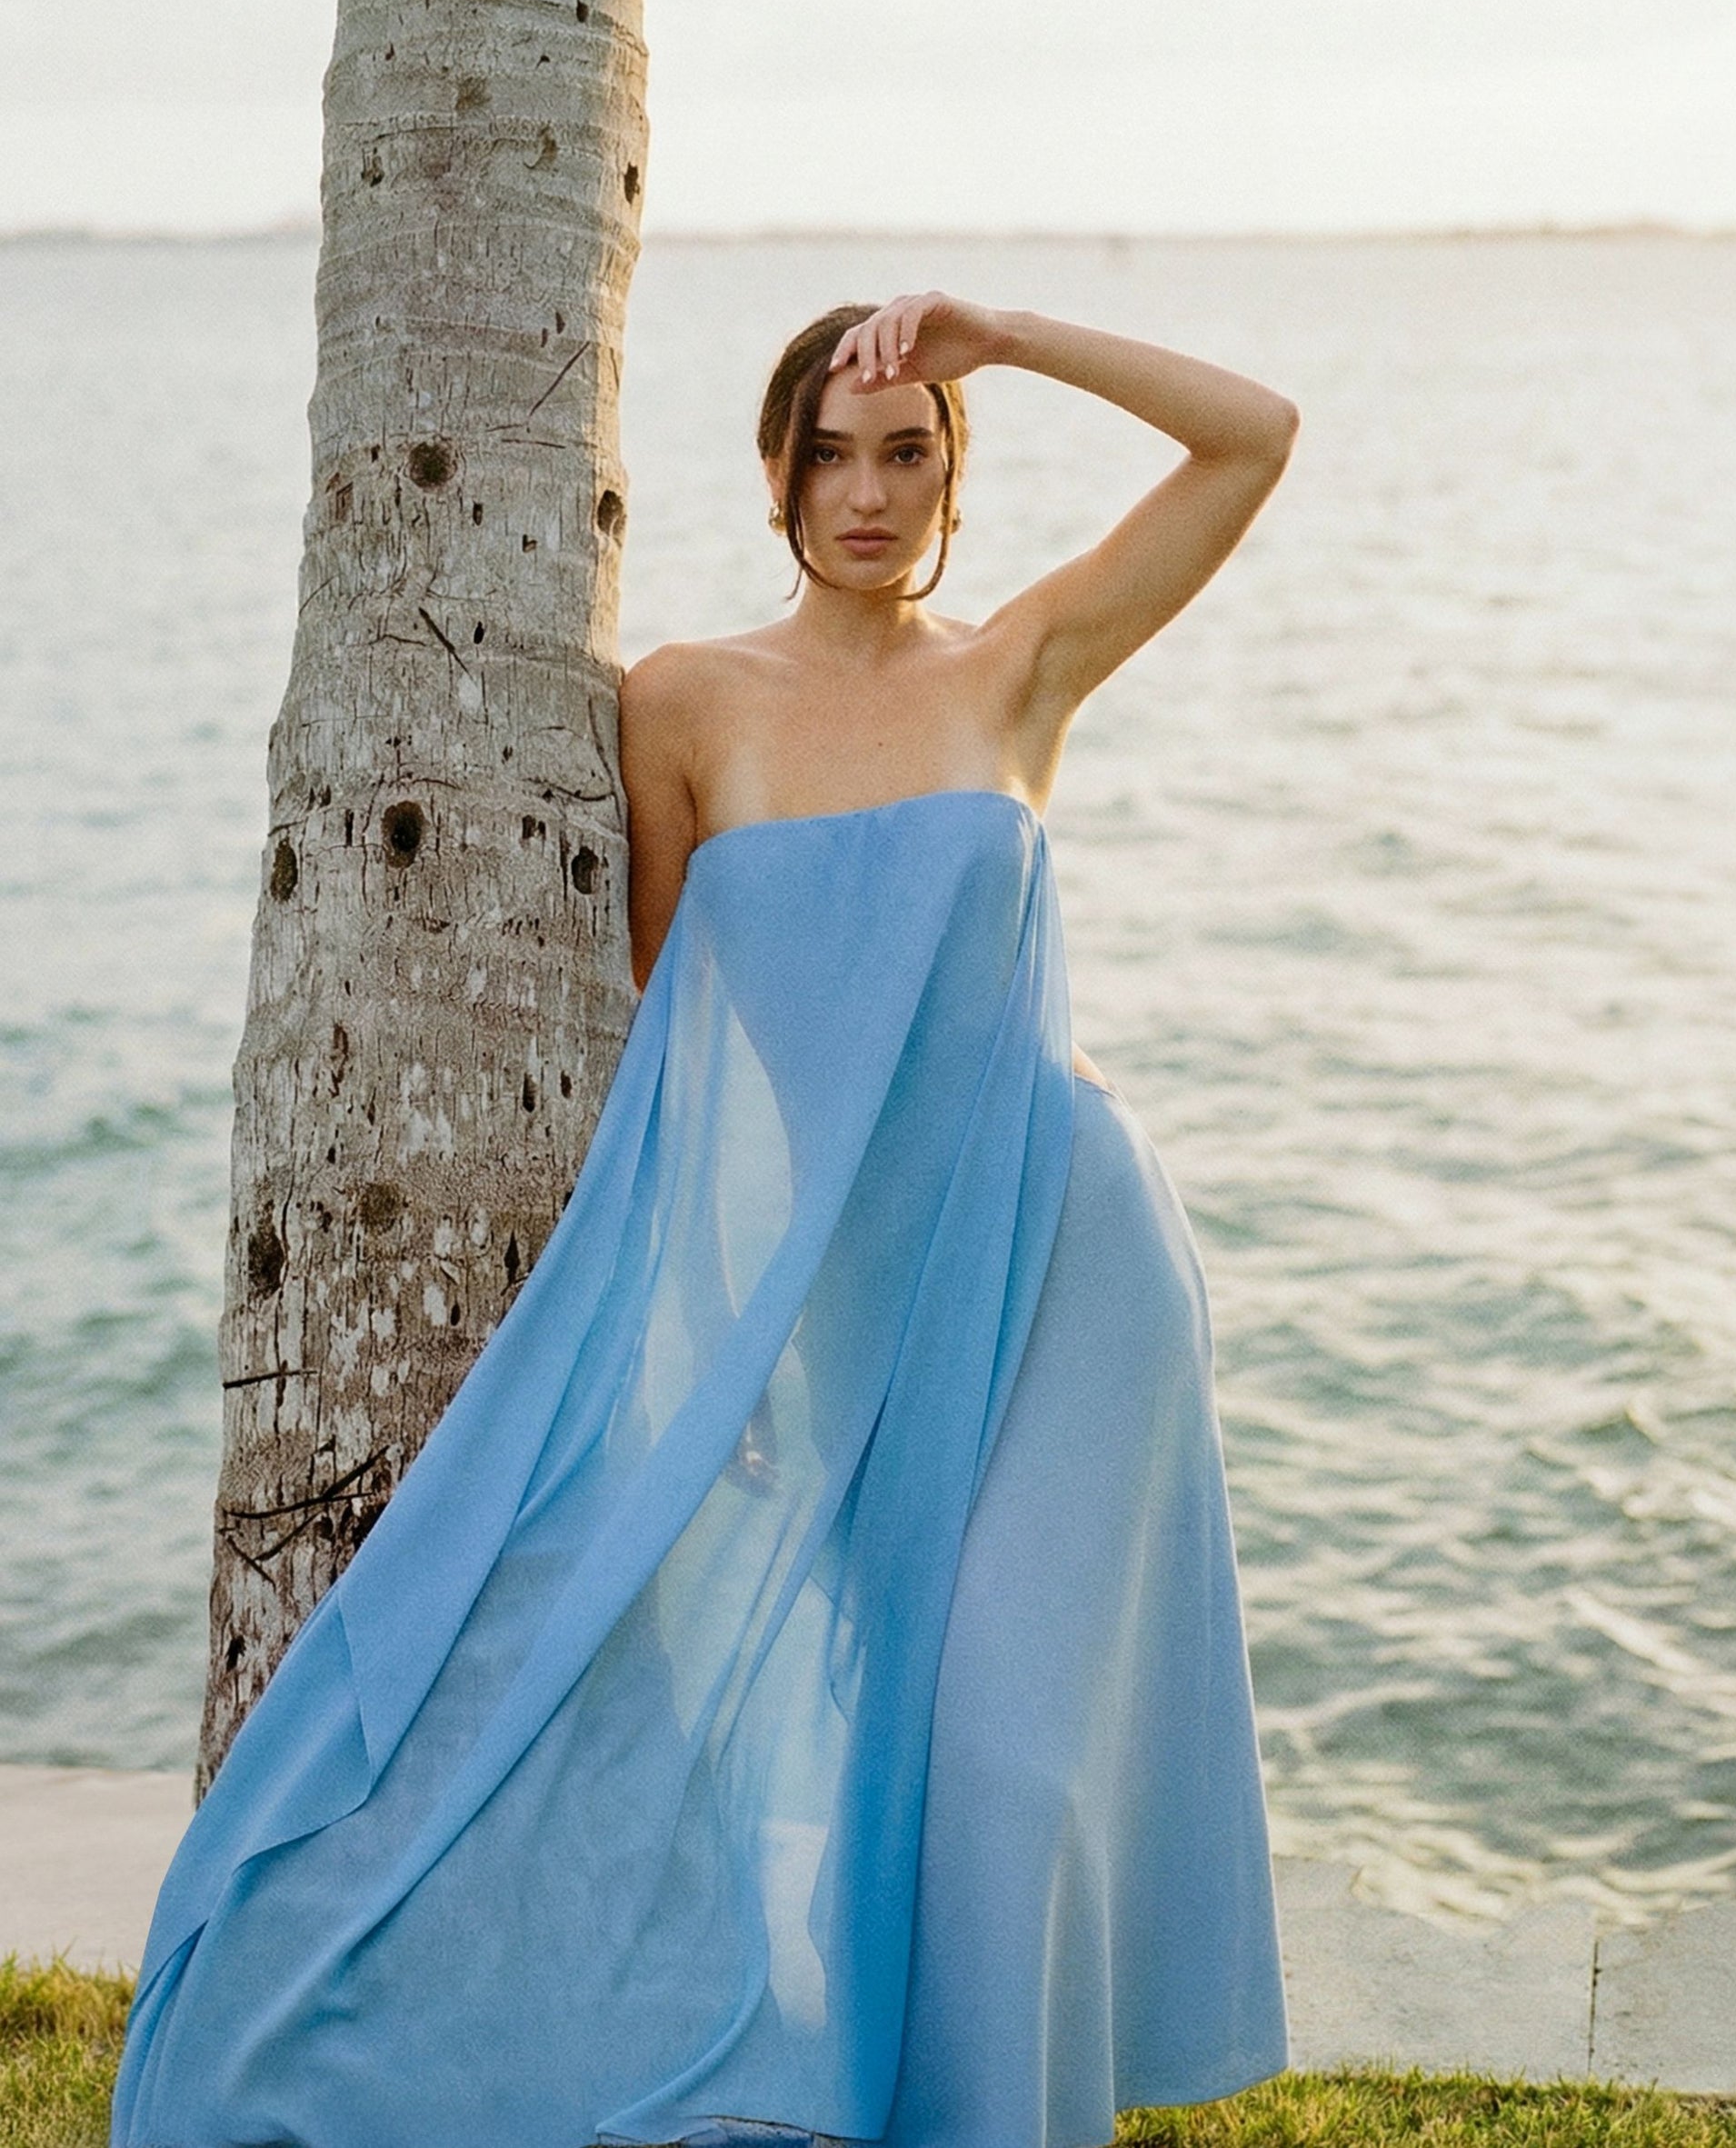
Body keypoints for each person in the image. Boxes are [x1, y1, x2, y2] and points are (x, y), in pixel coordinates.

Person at [110, 293, 1299, 2148]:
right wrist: (718, 1328)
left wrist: (997, 336)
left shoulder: (1017, 670)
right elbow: (685, 1045)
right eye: (830, 453)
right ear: (773, 474)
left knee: (1012, 1760)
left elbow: (1253, 435)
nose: (867, 493)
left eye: (906, 453)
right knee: (882, 1720)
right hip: (855, 1290)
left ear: (952, 481)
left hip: (1071, 1259)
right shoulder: (680, 703)